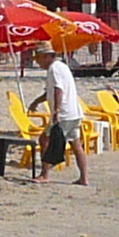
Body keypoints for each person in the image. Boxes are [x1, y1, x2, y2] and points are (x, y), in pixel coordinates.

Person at [40, 49, 89, 187]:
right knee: (76, 145)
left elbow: (58, 90)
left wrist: (56, 111)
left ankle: (45, 174)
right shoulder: (62, 66)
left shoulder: (54, 69)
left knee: (44, 140)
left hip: (64, 114)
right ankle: (84, 178)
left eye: (39, 58)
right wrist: (36, 102)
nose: (37, 62)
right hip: (74, 113)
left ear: (47, 56)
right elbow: (50, 92)